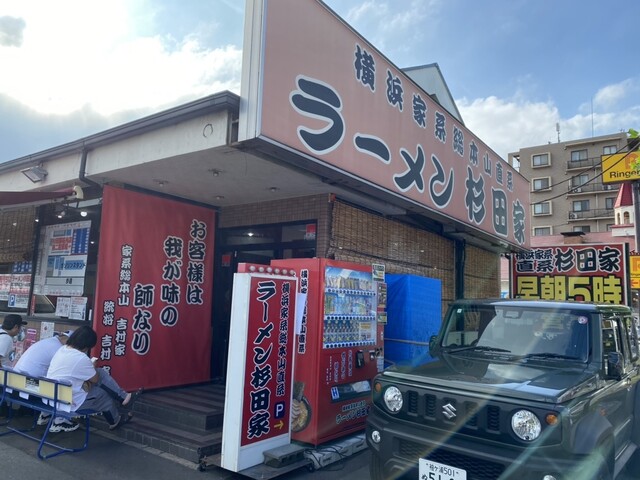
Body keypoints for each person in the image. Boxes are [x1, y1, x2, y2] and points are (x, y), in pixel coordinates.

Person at [46, 325, 143, 433]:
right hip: (68, 403)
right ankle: (115, 420)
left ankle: (123, 398)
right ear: (86, 345)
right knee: (102, 394)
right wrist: (92, 366)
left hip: (53, 396)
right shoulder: (80, 358)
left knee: (100, 374)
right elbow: (96, 379)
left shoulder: (62, 349)